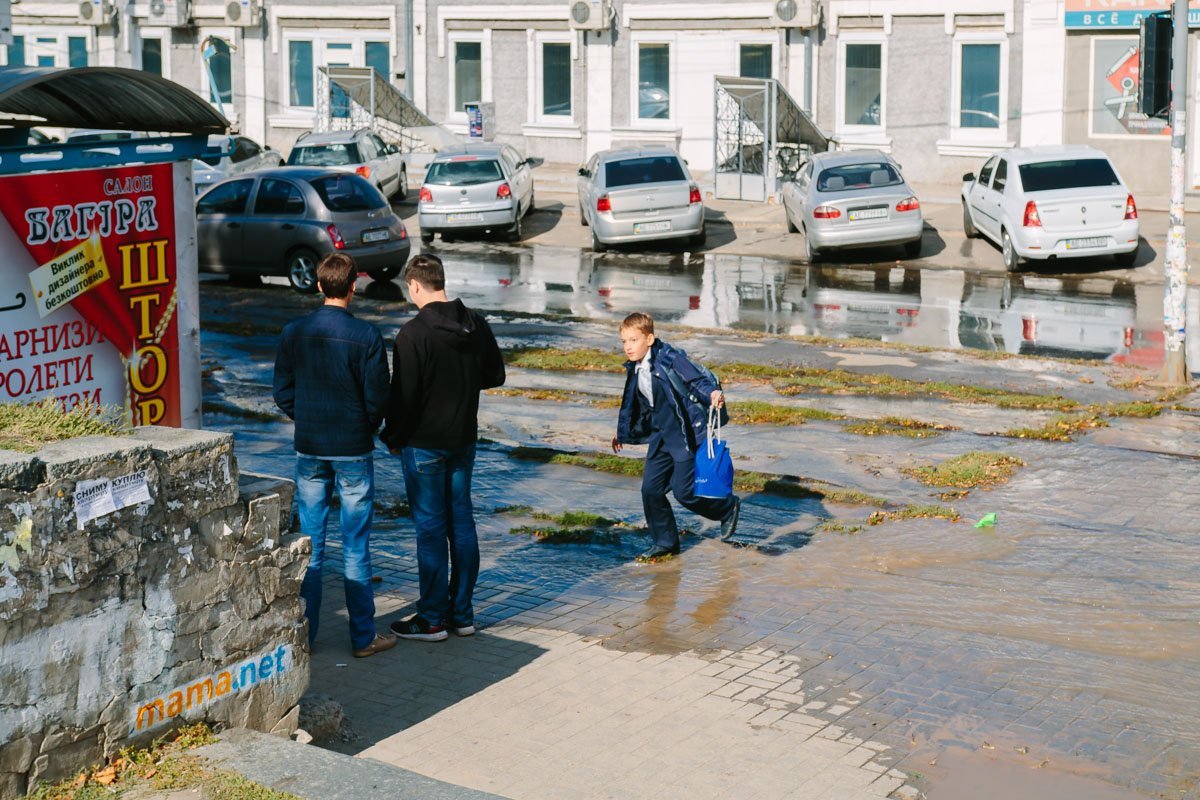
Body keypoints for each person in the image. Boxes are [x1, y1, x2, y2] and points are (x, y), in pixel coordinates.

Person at [272, 252, 396, 658]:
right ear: (353, 287)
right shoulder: (367, 337)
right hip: (354, 449)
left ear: (320, 286)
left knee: (312, 545)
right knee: (356, 546)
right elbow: (378, 396)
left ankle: (304, 639)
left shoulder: (294, 331)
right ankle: (362, 638)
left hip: (311, 446)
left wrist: (303, 416)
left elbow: (281, 391)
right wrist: (365, 427)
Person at [381, 254, 505, 641]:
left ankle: (432, 618)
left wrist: (392, 438)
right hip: (463, 440)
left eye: (409, 288)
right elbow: (496, 374)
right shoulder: (475, 323)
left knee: (431, 531)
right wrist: (463, 384)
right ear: (442, 281)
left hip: (424, 445)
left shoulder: (412, 334)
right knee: (462, 525)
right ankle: (462, 615)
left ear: (415, 286)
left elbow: (403, 399)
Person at [611, 312, 741, 559]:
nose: (628, 347)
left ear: (649, 339)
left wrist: (712, 394)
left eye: (633, 340)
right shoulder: (636, 367)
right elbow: (635, 404)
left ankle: (726, 507)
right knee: (651, 490)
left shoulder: (670, 358)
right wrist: (623, 433)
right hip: (661, 436)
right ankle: (666, 543)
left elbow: (695, 382)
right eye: (624, 341)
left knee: (685, 493)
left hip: (685, 434)